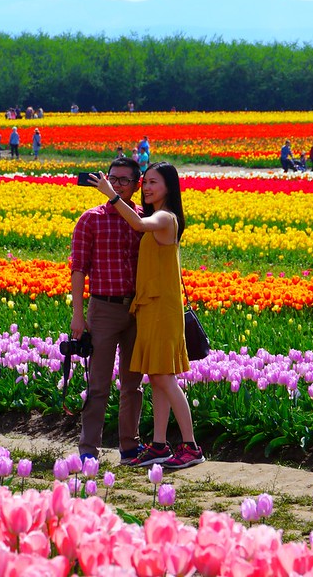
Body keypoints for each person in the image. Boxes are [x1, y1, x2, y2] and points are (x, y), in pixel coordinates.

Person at [92, 161, 205, 469]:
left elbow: (140, 226)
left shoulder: (166, 218)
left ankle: (191, 446)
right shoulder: (157, 216)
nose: (148, 188)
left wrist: (111, 196)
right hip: (150, 306)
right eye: (147, 183)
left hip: (162, 309)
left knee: (165, 378)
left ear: (169, 186)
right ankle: (158, 444)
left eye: (154, 182)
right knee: (156, 377)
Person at [70, 157, 145, 465]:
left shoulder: (143, 219)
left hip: (138, 310)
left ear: (136, 185)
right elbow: (78, 269)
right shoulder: (91, 219)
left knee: (133, 384)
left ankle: (130, 446)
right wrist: (78, 314)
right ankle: (88, 448)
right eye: (112, 178)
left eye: (123, 180)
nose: (116, 185)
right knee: (98, 383)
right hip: (103, 307)